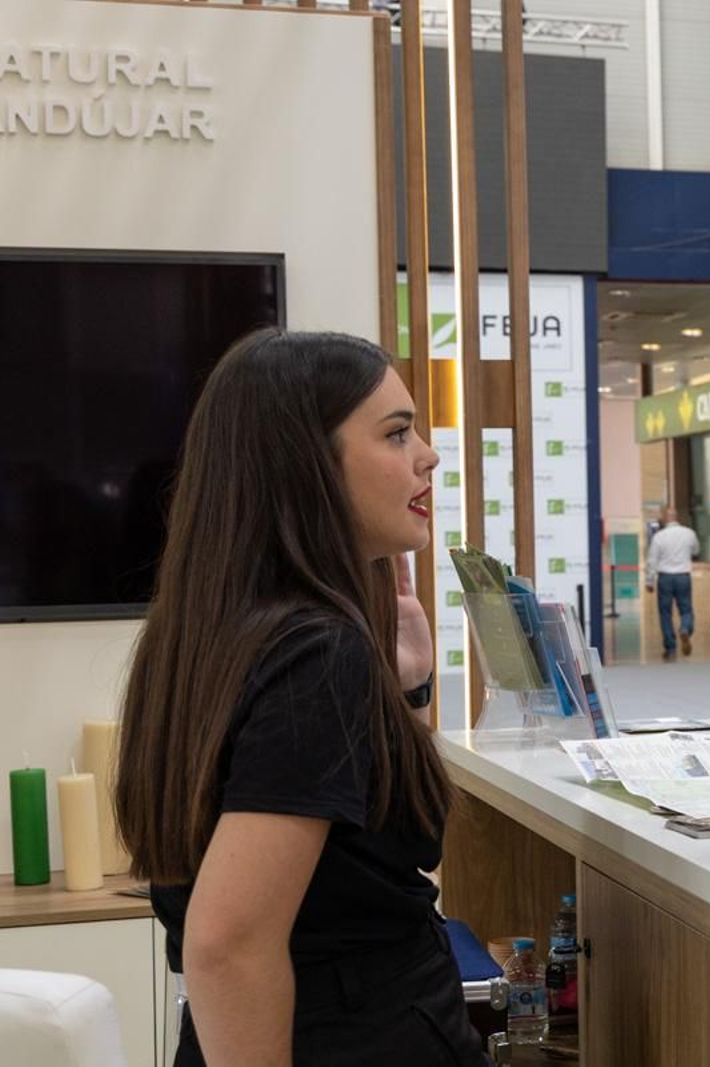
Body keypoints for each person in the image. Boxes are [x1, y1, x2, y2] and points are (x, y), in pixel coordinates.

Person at [114, 330, 485, 1065]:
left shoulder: (205, 636)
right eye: (397, 433)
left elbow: (350, 866)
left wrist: (404, 688)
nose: (428, 456)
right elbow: (227, 941)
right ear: (307, 463)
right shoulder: (317, 653)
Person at [645, 506, 699, 660]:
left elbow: (652, 560)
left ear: (664, 517)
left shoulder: (659, 537)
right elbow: (696, 550)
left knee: (665, 613)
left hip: (665, 578)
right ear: (676, 517)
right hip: (683, 576)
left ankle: (670, 647)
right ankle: (685, 629)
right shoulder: (689, 533)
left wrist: (649, 580)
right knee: (686, 609)